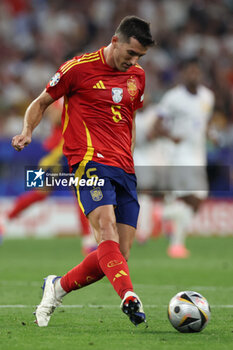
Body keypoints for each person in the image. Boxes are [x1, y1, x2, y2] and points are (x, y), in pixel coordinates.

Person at [12, 16, 154, 327]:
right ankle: (129, 297)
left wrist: (130, 155)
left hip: (124, 169)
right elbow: (41, 102)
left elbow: (129, 117)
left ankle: (57, 287)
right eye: (130, 54)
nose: (134, 62)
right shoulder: (77, 68)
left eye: (140, 57)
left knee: (118, 255)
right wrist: (27, 131)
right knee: (105, 230)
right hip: (88, 162)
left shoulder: (138, 77)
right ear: (115, 41)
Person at [136, 57, 215, 258]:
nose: (193, 75)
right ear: (183, 74)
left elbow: (203, 123)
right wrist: (171, 137)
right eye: (190, 71)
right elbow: (157, 125)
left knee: (196, 201)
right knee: (190, 197)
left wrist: (210, 134)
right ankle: (175, 243)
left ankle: (161, 218)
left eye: (196, 72)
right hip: (180, 155)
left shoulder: (208, 97)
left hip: (199, 154)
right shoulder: (173, 98)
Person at [1, 99, 95, 255]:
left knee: (77, 192)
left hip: (69, 150)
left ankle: (88, 239)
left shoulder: (75, 95)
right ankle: (5, 218)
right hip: (55, 152)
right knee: (42, 192)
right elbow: (54, 117)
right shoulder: (63, 97)